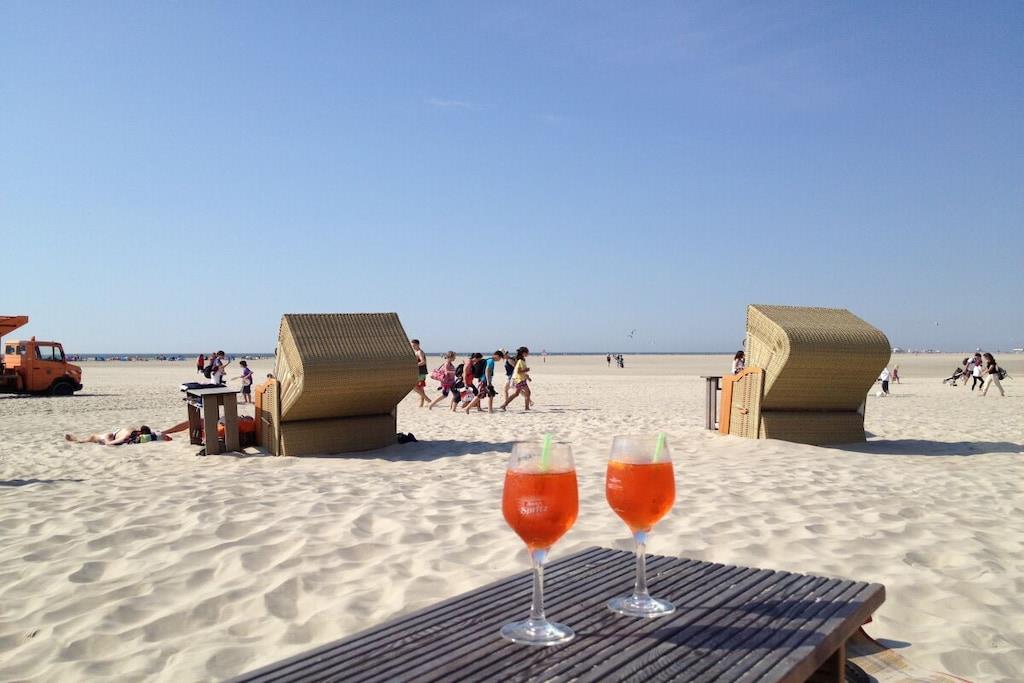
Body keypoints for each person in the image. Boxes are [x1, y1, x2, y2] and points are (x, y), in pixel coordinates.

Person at [65, 422, 189, 446]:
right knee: (94, 437)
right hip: (112, 435)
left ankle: (78, 440)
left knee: (93, 437)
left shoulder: (147, 433)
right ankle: (77, 440)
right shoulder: (129, 435)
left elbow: (171, 431)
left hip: (115, 434)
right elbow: (111, 443)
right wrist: (107, 442)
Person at [410, 339, 431, 407]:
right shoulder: (416, 352)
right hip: (419, 372)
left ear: (418, 344)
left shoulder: (419, 352)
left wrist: (414, 365)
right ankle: (422, 403)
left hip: (421, 372)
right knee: (420, 388)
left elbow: (423, 361)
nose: (412, 346)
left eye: (414, 345)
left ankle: (427, 399)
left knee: (414, 386)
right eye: (412, 345)